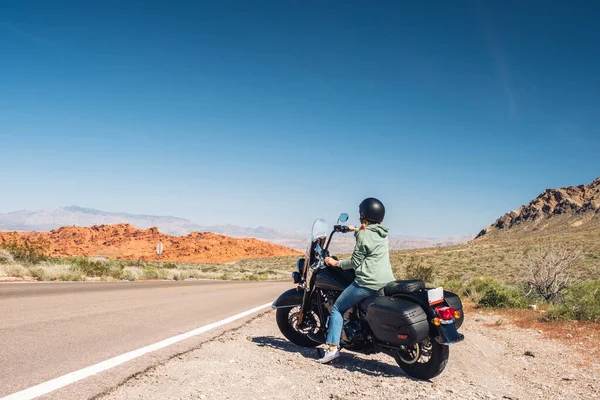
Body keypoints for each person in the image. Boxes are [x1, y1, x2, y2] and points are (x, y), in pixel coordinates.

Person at [318, 197, 396, 364]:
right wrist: (351, 229)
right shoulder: (382, 232)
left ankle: (332, 349)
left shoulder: (363, 234)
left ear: (363, 214)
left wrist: (335, 262)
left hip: (367, 282)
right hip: (387, 281)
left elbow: (355, 262)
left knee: (338, 308)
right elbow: (367, 234)